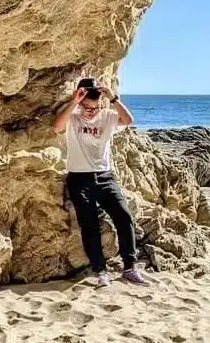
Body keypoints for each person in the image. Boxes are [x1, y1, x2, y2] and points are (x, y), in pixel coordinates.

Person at [53, 77, 145, 287]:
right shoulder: (73, 118)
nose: (90, 112)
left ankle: (130, 268)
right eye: (86, 106)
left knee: (124, 216)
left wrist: (113, 98)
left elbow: (128, 120)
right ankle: (100, 271)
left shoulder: (107, 116)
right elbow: (57, 127)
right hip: (79, 178)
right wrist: (74, 103)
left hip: (105, 176)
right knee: (89, 225)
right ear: (80, 100)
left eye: (94, 108)